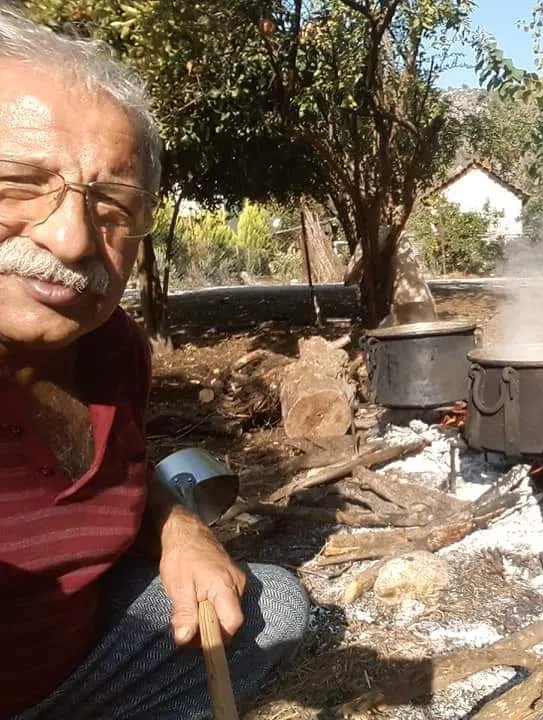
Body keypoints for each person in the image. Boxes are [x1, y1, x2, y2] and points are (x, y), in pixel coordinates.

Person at [0, 7, 310, 718]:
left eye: (113, 206)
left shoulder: (111, 347)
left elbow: (132, 473)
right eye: (18, 183)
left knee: (270, 604)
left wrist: (179, 526)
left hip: (67, 672)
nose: (75, 238)